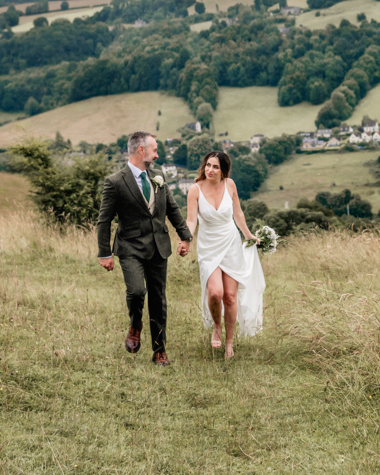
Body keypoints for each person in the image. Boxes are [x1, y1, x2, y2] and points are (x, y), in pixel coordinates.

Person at [96, 131, 192, 366]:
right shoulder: (115, 182)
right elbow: (104, 220)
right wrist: (104, 253)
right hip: (130, 248)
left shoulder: (158, 176)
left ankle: (159, 351)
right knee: (137, 291)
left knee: (158, 300)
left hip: (159, 247)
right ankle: (135, 324)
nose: (157, 155)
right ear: (141, 150)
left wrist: (185, 237)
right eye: (155, 150)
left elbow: (172, 208)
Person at [185, 151, 265, 358]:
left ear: (223, 171)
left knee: (230, 297)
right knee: (215, 293)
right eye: (208, 165)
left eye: (215, 167)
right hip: (208, 247)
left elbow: (238, 213)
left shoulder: (230, 185)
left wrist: (248, 235)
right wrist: (186, 239)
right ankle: (217, 327)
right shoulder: (195, 190)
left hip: (231, 243)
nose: (210, 170)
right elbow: (191, 220)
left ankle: (229, 342)